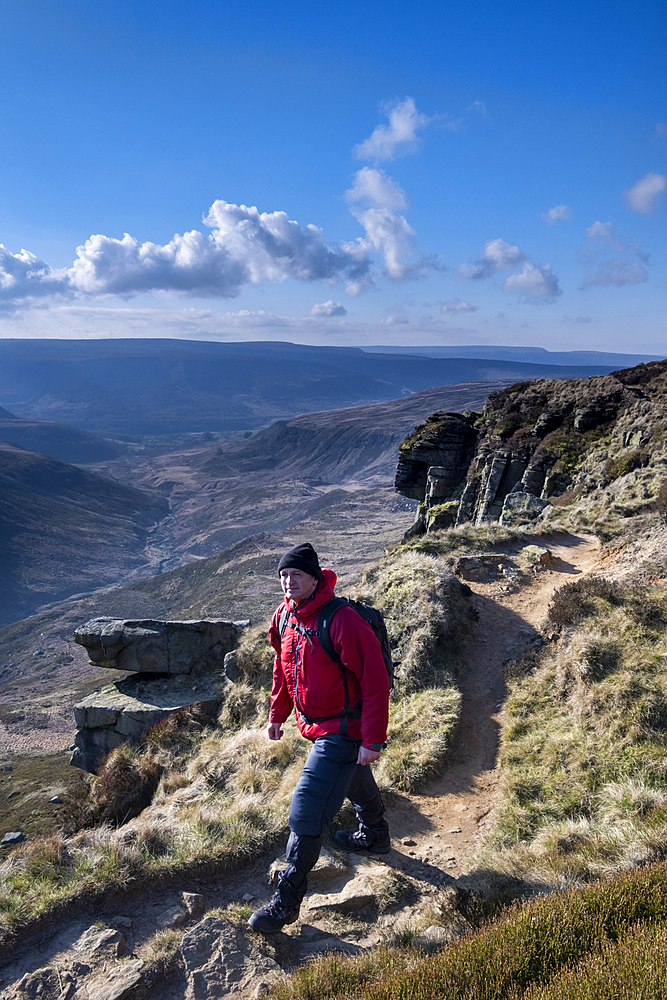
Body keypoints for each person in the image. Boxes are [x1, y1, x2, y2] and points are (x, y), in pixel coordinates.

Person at [248, 542, 391, 934]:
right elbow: (284, 667)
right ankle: (375, 835)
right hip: (317, 725)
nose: (288, 582)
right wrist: (278, 714)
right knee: (349, 777)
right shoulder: (284, 616)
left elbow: (375, 680)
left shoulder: (340, 619)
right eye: (283, 575)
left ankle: (286, 901)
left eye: (296, 575)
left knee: (307, 810)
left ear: (315, 578)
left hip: (344, 729)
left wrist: (372, 739)